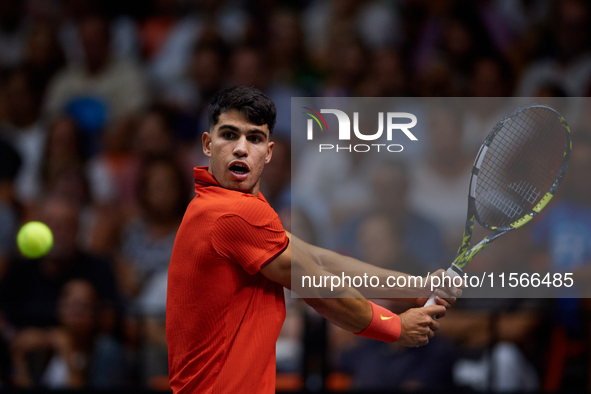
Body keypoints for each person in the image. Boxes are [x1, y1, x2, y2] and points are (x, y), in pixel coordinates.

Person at [166, 86, 461, 393]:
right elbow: (317, 285)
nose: (241, 148)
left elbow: (319, 260)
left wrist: (415, 287)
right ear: (208, 144)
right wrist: (396, 327)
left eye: (253, 138)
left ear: (268, 153)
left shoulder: (230, 208)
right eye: (229, 135)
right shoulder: (230, 213)